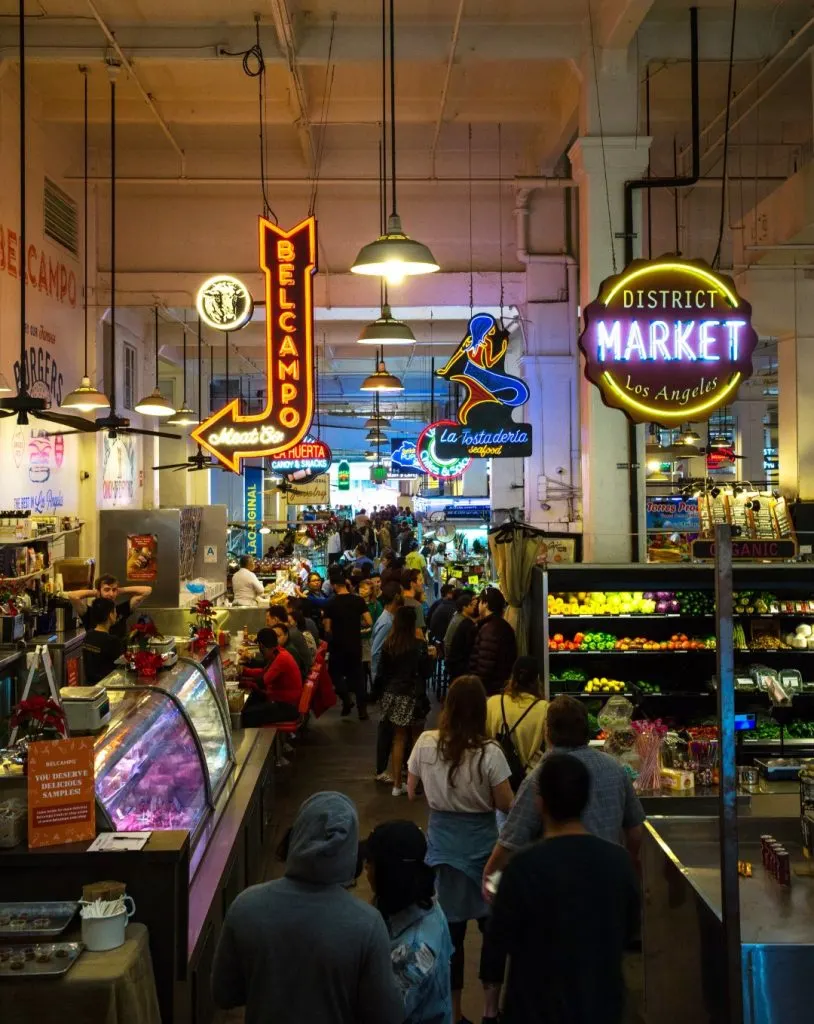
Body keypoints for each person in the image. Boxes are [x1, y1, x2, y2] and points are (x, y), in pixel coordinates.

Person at [213, 791, 403, 1024]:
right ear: (350, 852)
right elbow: (387, 1015)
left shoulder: (245, 906)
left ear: (297, 835)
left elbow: (224, 993)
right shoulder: (367, 924)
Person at [486, 754, 640, 1024]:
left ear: (540, 803)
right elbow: (629, 931)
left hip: (534, 1009)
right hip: (600, 1005)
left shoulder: (522, 868)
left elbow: (498, 939)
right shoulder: (618, 863)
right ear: (585, 799)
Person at [407, 676, 513, 1024]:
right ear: (482, 711)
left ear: (448, 707)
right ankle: (490, 1009)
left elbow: (411, 791)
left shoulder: (425, 743)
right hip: (488, 857)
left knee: (450, 938)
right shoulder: (489, 753)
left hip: (442, 855)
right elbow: (506, 803)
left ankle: (453, 1014)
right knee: (494, 932)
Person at [482, 694, 646, 894]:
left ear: (548, 731)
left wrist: (489, 875)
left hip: (559, 889)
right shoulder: (615, 768)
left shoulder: (540, 776)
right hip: (608, 884)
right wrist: (629, 863)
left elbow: (512, 839)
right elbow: (635, 830)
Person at [363, 820, 453, 1024]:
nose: (366, 867)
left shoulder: (413, 952)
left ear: (390, 874)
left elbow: (381, 1014)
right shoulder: (423, 899)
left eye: (371, 862)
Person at [375, 606, 432, 797]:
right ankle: (413, 783)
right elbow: (426, 673)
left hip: (393, 695)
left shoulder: (389, 644)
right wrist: (431, 657)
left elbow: (382, 673)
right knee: (416, 739)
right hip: (413, 696)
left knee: (398, 739)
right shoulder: (419, 645)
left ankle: (397, 785)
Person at [486, 656, 548, 783]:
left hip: (496, 778)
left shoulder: (492, 703)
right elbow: (549, 749)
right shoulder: (545, 709)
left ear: (512, 677)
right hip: (530, 781)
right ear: (537, 679)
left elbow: (483, 740)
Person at [323, 566, 372, 720]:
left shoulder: (330, 603)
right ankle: (362, 710)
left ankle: (346, 699)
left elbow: (328, 628)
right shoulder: (358, 600)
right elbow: (369, 621)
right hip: (354, 644)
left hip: (338, 645)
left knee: (335, 674)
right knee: (357, 677)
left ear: (334, 586)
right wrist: (357, 627)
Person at [371, 581, 404, 784]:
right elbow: (376, 653)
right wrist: (378, 681)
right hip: (385, 683)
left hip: (385, 681)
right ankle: (381, 768)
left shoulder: (389, 618)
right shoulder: (387, 622)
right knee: (386, 728)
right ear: (394, 601)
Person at [239, 625, 303, 727]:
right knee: (251, 704)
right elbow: (264, 671)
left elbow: (262, 682)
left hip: (288, 706)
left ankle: (260, 742)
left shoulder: (281, 658)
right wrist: (244, 672)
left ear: (262, 646)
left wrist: (243, 682)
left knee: (245, 715)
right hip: (284, 701)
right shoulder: (279, 652)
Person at [69, 574, 152, 641]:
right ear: (99, 591)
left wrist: (121, 590)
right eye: (107, 590)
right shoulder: (89, 612)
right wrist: (95, 592)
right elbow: (72, 596)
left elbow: (147, 590)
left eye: (114, 590)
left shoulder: (121, 609)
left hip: (119, 659)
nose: (111, 594)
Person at [469, 587, 517, 696]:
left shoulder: (490, 629)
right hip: (499, 686)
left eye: (480, 601)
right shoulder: (501, 625)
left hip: (491, 689)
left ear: (485, 604)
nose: (478, 605)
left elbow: (485, 665)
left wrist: (477, 686)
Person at [82, 597, 123, 683]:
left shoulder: (88, 636)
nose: (116, 614)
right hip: (108, 688)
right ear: (110, 615)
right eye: (114, 611)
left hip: (91, 688)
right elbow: (121, 668)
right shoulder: (112, 641)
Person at [266, 604, 313, 678]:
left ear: (275, 619)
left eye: (268, 620)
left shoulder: (287, 634)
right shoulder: (288, 629)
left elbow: (274, 657)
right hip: (302, 670)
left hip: (302, 675)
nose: (267, 624)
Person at [444, 590, 480, 683]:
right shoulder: (463, 622)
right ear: (465, 607)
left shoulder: (457, 616)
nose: (474, 607)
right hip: (455, 663)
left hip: (450, 658)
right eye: (471, 605)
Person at [401, 568, 426, 634]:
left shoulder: (398, 600)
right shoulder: (416, 606)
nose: (422, 583)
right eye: (420, 580)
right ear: (412, 583)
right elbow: (418, 633)